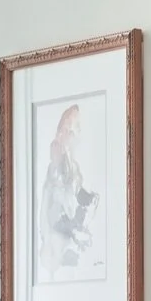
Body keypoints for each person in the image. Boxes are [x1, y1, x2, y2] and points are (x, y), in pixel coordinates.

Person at [38, 103, 99, 279]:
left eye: (69, 132)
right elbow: (48, 214)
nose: (61, 137)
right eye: (61, 130)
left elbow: (76, 209)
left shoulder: (80, 173)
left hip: (73, 255)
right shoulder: (54, 169)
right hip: (54, 254)